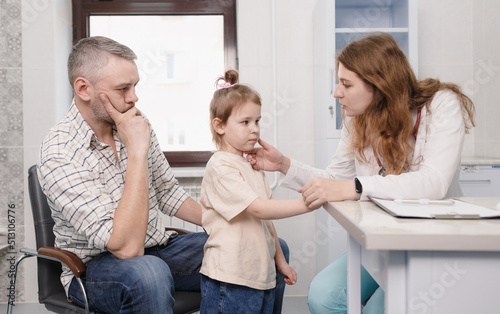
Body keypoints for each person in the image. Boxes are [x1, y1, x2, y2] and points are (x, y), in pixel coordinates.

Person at [245, 33, 475, 313]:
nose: (336, 92)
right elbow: (334, 180)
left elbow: (434, 182)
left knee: (379, 308)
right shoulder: (356, 121)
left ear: (380, 85)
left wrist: (354, 188)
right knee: (323, 296)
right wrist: (283, 164)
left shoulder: (440, 105)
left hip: (429, 244)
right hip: (381, 239)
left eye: (346, 84)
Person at [37, 36, 209, 313]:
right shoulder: (60, 151)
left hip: (157, 249)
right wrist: (137, 153)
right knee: (147, 272)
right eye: (123, 89)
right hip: (94, 268)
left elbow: (166, 191)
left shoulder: (135, 123)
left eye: (135, 86)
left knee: (251, 246)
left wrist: (222, 224)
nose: (134, 98)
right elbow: (125, 249)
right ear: (83, 88)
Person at [200, 70, 316, 313]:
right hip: (231, 279)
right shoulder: (220, 166)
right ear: (219, 126)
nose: (255, 129)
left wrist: (281, 262)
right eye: (245, 122)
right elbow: (259, 209)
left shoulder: (252, 166)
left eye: (257, 121)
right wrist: (311, 201)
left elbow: (265, 223)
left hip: (258, 277)